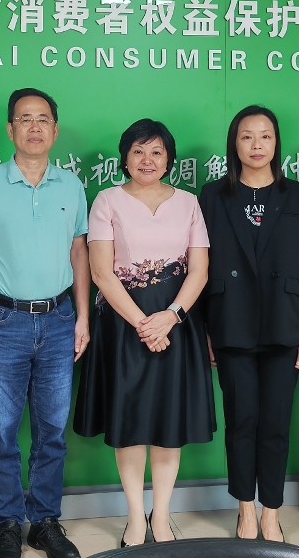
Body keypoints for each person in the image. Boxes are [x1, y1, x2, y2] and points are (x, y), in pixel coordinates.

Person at [73, 119, 215, 548]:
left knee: (170, 420)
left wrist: (170, 316)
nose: (147, 160)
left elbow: (199, 270)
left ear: (169, 158)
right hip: (123, 326)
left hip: (177, 324)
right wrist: (143, 323)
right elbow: (101, 271)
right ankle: (136, 516)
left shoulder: (189, 202)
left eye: (156, 151)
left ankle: (163, 515)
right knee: (131, 420)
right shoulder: (107, 200)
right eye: (138, 151)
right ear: (125, 158)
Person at [198, 106, 299, 543]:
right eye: (247, 136)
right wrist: (206, 330)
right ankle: (245, 510)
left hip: (285, 324)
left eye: (265, 136)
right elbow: (199, 265)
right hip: (230, 323)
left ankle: (271, 511)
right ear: (234, 143)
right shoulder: (213, 195)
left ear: (276, 142)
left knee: (275, 424)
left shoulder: (297, 195)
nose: (256, 145)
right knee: (242, 422)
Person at [0, 89, 89, 558]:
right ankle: (7, 523)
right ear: (10, 129)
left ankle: (44, 521)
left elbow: (79, 252)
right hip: (4, 320)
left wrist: (82, 317)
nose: (35, 127)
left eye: (43, 119)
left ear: (55, 130)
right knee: (2, 431)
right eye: (25, 119)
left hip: (60, 319)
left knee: (51, 430)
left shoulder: (72, 185)